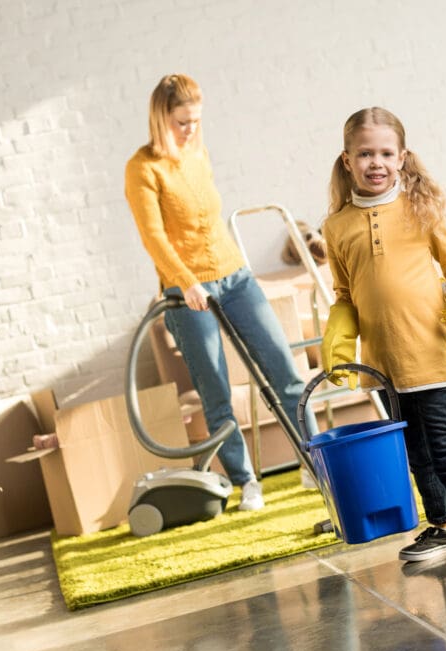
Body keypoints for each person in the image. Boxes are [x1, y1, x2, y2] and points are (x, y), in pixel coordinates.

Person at [319, 106, 446, 588]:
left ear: (402, 157)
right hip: (383, 365)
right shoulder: (337, 227)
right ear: (347, 160)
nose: (375, 162)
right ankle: (442, 525)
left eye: (385, 153)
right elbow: (344, 295)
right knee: (416, 453)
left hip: (429, 354)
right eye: (365, 153)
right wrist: (339, 338)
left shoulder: (421, 208)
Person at [124, 73, 317, 511]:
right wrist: (186, 281)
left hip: (234, 276)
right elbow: (153, 236)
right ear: (160, 119)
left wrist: (225, 272)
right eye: (181, 122)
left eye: (195, 120)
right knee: (216, 391)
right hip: (185, 291)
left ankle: (313, 461)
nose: (190, 129)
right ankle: (247, 482)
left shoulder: (198, 152)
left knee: (284, 370)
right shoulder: (143, 169)